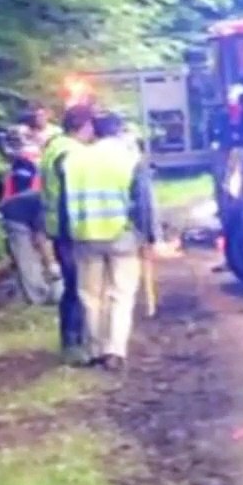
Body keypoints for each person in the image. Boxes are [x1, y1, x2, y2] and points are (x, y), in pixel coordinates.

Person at [60, 111, 157, 371]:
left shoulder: (73, 159)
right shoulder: (130, 158)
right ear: (119, 130)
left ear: (95, 130)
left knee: (90, 296)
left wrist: (63, 235)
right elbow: (143, 202)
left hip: (84, 235)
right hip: (122, 236)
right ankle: (115, 350)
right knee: (121, 294)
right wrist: (149, 237)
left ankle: (94, 350)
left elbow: (62, 202)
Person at [40, 105, 95, 363]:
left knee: (74, 286)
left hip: (58, 227)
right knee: (78, 285)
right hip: (69, 229)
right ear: (83, 126)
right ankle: (74, 343)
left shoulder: (55, 146)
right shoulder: (70, 152)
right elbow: (69, 195)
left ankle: (72, 340)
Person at [0, 125, 60, 305]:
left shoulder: (26, 162)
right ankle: (38, 296)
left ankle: (41, 292)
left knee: (30, 255)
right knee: (26, 257)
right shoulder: (47, 202)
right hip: (14, 213)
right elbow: (41, 236)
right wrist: (53, 266)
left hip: (18, 204)